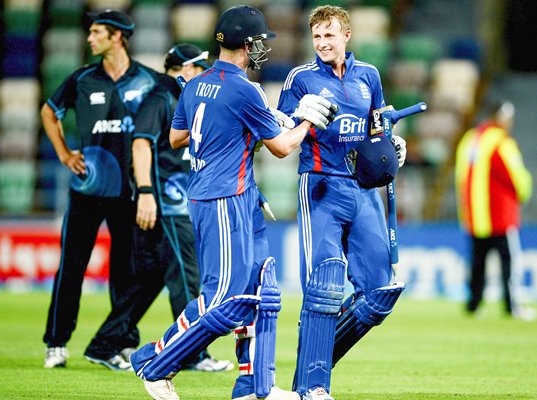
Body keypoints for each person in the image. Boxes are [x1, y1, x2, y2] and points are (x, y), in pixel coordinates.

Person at [129, 5, 338, 400]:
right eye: (260, 42)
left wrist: (237, 131)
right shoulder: (245, 88)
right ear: (247, 44)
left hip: (233, 195)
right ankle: (155, 364)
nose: (263, 49)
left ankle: (253, 388)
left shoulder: (195, 83)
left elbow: (177, 139)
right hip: (223, 198)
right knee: (225, 299)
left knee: (262, 291)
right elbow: (281, 146)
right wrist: (308, 122)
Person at [277, 6, 407, 400]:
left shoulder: (369, 76)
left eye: (329, 35)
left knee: (379, 293)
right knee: (324, 287)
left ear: (346, 36)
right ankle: (314, 386)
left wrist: (391, 146)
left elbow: (377, 125)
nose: (322, 43)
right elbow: (277, 129)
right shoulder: (301, 78)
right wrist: (297, 117)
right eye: (316, 37)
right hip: (320, 186)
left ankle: (308, 367)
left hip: (364, 189)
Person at [41, 9, 163, 371]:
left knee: (126, 273)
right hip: (86, 190)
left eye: (97, 32)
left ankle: (119, 344)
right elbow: (50, 112)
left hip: (128, 192)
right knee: (71, 268)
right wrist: (63, 153)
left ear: (117, 37)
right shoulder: (81, 80)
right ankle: (56, 343)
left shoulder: (148, 81)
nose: (89, 38)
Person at [117, 42, 233, 372]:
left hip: (182, 199)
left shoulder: (187, 99)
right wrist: (146, 192)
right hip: (166, 201)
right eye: (198, 66)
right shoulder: (159, 98)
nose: (203, 72)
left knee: (151, 277)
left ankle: (107, 341)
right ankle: (194, 353)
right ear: (184, 68)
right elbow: (141, 145)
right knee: (186, 275)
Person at [455, 100, 536, 321]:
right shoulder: (502, 142)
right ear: (503, 119)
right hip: (500, 216)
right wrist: (525, 192)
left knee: (477, 264)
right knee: (509, 263)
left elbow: (460, 176)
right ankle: (513, 306)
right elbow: (516, 175)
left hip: (474, 216)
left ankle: (473, 306)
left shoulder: (470, 139)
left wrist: (467, 210)